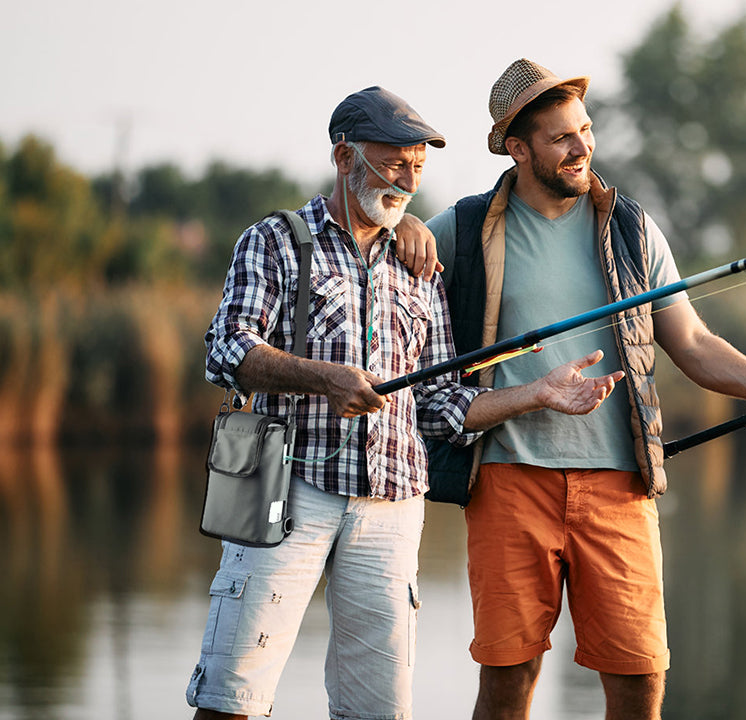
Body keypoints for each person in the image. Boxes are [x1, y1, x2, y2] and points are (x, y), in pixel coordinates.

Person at [185, 85, 624, 720]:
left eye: (418, 164)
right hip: (284, 492)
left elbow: (441, 404)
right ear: (344, 158)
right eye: (393, 162)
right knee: (232, 697)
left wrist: (538, 395)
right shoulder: (275, 240)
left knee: (379, 712)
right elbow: (224, 350)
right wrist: (325, 378)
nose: (408, 179)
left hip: (393, 504)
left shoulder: (421, 260)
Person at [424, 59, 746, 720]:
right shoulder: (462, 228)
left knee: (640, 677)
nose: (582, 146)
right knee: (511, 678)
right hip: (508, 482)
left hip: (620, 486)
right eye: (561, 137)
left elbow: (694, 344)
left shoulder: (632, 227)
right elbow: (388, 280)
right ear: (518, 147)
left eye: (585, 129)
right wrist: (411, 239)